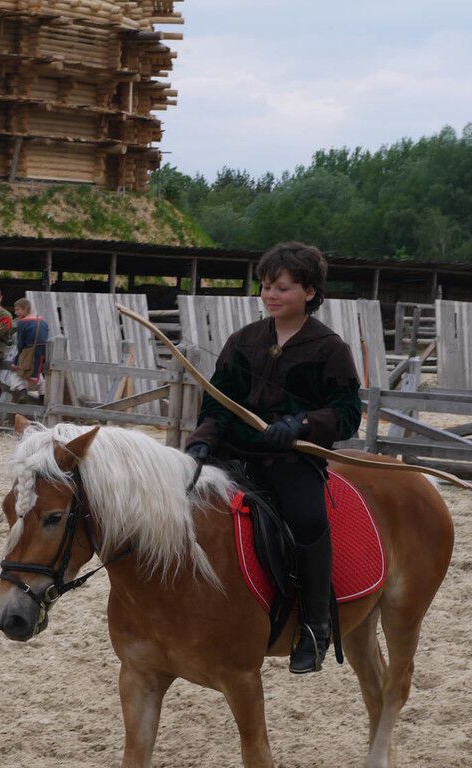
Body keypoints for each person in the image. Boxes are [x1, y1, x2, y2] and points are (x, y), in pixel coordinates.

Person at [184, 242, 362, 674]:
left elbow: (346, 414)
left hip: (291, 460)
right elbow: (217, 403)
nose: (271, 295)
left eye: (282, 287)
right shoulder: (243, 341)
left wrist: (300, 425)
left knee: (307, 518)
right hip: (233, 455)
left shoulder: (329, 348)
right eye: (266, 286)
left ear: (310, 292)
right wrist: (203, 440)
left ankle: (316, 627)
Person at [11, 298, 49, 402]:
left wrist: (19, 356)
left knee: (17, 371)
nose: (16, 312)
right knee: (38, 373)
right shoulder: (43, 321)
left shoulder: (22, 323)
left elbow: (21, 343)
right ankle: (43, 395)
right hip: (43, 353)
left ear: (25, 309)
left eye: (18, 309)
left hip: (30, 351)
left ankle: (22, 392)